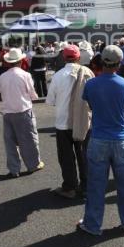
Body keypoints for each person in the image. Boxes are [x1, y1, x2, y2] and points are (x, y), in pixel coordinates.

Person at [78, 45, 124, 236]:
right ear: (120, 63)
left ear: (101, 61)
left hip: (98, 139)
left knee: (96, 185)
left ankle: (93, 224)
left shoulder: (91, 84)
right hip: (121, 139)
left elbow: (90, 104)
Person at [46, 45, 94, 198]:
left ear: (64, 57)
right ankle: (87, 185)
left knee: (66, 156)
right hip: (83, 121)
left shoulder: (58, 75)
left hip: (63, 122)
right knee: (84, 154)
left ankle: (70, 187)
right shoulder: (88, 72)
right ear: (79, 57)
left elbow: (51, 101)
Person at [0, 47, 44, 178]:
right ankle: (33, 164)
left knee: (10, 143)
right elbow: (33, 94)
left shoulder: (3, 76)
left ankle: (14, 169)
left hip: (7, 111)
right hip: (23, 110)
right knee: (29, 140)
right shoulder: (25, 75)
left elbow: (2, 93)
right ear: (20, 60)